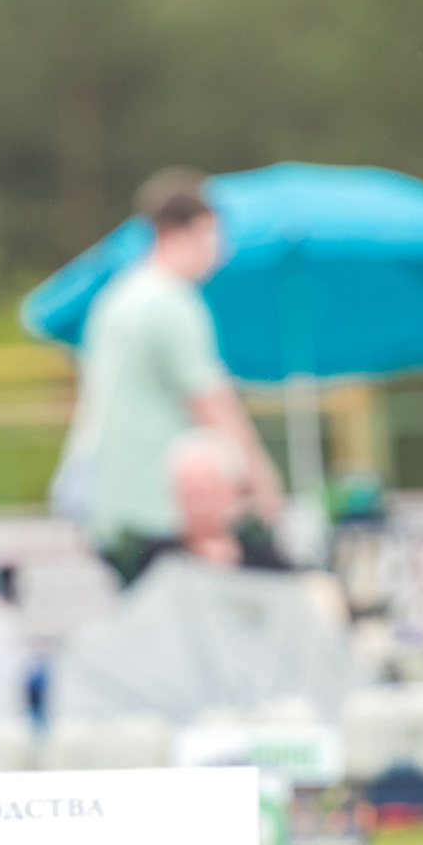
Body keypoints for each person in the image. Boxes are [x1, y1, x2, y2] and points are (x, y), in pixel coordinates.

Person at [63, 170, 284, 587]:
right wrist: (261, 485)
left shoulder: (117, 298)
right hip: (160, 505)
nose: (220, 251)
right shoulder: (172, 305)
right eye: (212, 235)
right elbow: (211, 403)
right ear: (181, 233)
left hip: (107, 501)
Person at [108, 429, 288, 588]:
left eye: (206, 493)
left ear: (232, 492)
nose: (198, 506)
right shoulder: (157, 560)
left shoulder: (266, 561)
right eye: (189, 494)